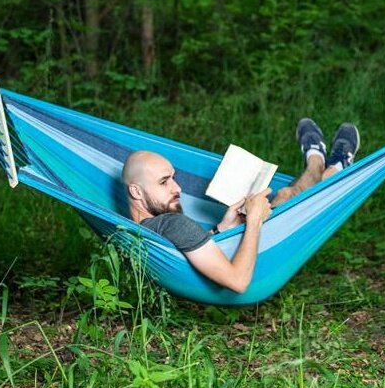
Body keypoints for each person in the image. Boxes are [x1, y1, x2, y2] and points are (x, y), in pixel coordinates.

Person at [122, 118, 360, 294]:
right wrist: (254, 220)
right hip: (256, 261)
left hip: (231, 249)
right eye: (164, 182)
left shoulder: (138, 230)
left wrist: (221, 229)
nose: (178, 188)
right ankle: (328, 164)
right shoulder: (173, 223)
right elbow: (238, 282)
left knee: (285, 194)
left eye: (174, 178)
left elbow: (187, 251)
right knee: (287, 196)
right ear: (136, 191)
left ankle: (320, 161)